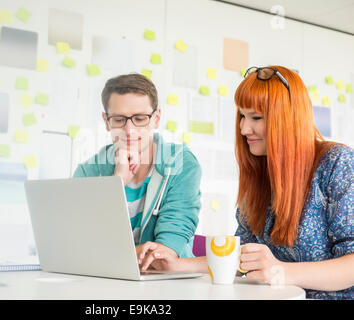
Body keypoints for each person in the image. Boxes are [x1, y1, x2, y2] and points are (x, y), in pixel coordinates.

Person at [137, 66, 354, 300]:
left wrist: (279, 270)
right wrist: (175, 265)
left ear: (288, 119)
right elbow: (241, 259)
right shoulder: (261, 172)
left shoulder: (337, 163)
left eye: (256, 117)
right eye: (242, 115)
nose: (243, 128)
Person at [73, 73, 202, 259]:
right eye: (119, 119)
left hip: (168, 282)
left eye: (140, 119)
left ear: (156, 118)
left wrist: (112, 255)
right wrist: (117, 183)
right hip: (106, 280)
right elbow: (81, 244)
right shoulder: (88, 171)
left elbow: (165, 253)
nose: (129, 130)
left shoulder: (181, 163)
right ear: (106, 121)